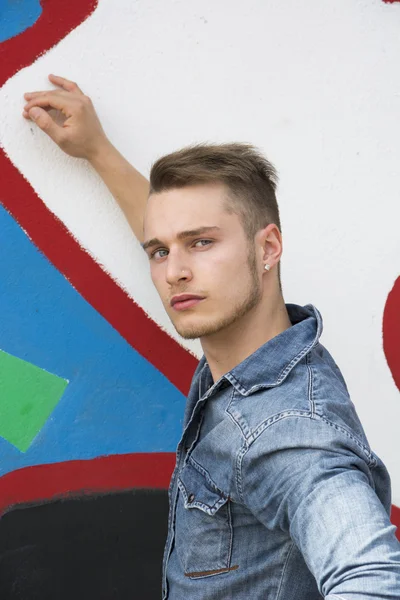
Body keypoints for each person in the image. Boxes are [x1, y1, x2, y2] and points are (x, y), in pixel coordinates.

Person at [23, 75, 400, 599]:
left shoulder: (289, 431)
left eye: (201, 243)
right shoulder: (267, 352)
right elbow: (176, 241)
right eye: (160, 252)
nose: (175, 271)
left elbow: (372, 578)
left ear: (268, 249)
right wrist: (97, 150)